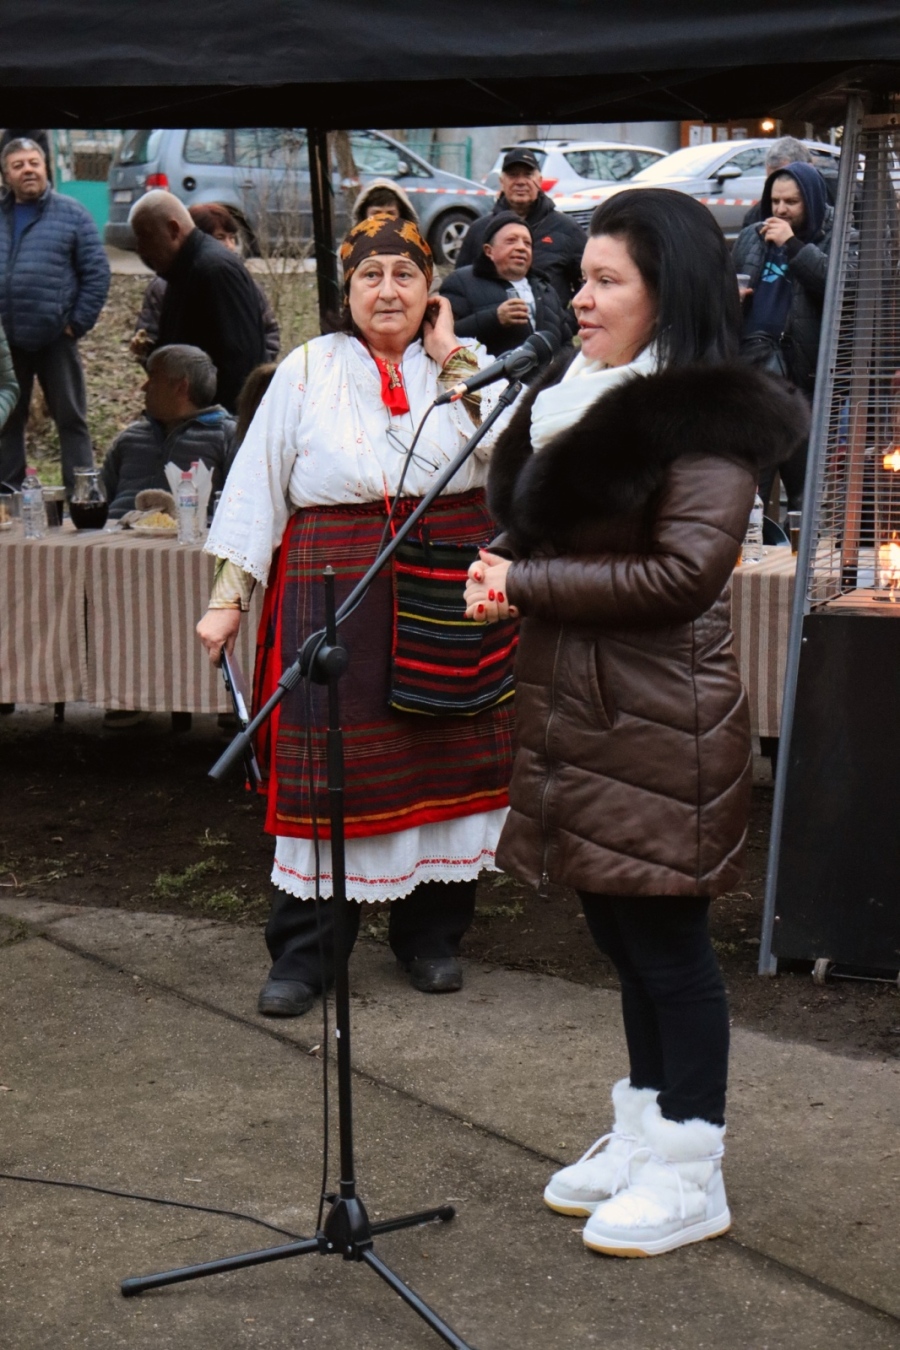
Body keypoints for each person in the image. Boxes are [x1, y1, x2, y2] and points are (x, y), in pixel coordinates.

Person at [464, 188, 808, 1258]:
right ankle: (645, 1124)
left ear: (673, 295)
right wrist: (522, 567)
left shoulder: (702, 422)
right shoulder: (580, 394)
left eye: (609, 282)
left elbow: (681, 572)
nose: (582, 300)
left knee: (666, 941)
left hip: (662, 719)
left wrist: (526, 580)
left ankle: (692, 1163)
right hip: (590, 710)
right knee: (619, 928)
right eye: (581, 279)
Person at [196, 214, 515, 1018]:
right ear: (346, 293)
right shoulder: (305, 369)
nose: (388, 290)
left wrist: (456, 359)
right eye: (370, 277)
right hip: (335, 581)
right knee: (327, 767)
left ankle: (432, 938)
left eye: (405, 276)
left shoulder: (466, 370)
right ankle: (308, 953)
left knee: (446, 757)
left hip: (450, 579)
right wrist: (227, 600)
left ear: (430, 293)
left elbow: (513, 454)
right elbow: (258, 486)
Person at [0, 137, 110, 492]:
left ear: (45, 166)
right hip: (6, 341)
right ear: (5, 174)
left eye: (34, 162)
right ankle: (6, 497)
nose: (27, 169)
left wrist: (75, 324)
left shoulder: (72, 213)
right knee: (6, 420)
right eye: (18, 165)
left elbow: (97, 273)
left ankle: (82, 499)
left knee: (72, 419)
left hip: (55, 339)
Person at [732, 161, 841, 513]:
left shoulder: (837, 236)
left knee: (803, 494)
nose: (780, 209)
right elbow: (732, 282)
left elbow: (839, 287)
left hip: (804, 377)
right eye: (775, 200)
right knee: (750, 487)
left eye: (791, 202)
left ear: (810, 201)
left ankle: (798, 562)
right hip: (755, 372)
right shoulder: (752, 236)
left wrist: (793, 245)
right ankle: (752, 559)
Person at [129, 191, 267, 413]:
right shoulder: (181, 270)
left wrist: (207, 427)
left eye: (145, 237)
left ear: (174, 230)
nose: (141, 249)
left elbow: (239, 365)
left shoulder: (214, 272)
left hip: (216, 428)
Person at [133, 203, 280, 364]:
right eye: (219, 237)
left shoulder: (233, 278)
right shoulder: (165, 286)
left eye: (232, 238)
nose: (229, 246)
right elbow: (152, 335)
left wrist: (254, 378)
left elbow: (266, 335)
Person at [100, 344, 235, 517]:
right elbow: (97, 498)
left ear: (181, 387)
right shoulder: (131, 437)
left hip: (186, 539)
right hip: (112, 536)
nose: (144, 387)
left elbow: (238, 512)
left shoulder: (227, 436)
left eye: (153, 378)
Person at [454, 148, 585, 319]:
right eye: (513, 175)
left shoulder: (568, 229)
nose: (521, 182)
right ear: (502, 181)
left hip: (551, 340)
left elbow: (588, 283)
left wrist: (566, 325)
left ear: (540, 180)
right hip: (491, 337)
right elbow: (459, 288)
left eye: (528, 175)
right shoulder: (479, 230)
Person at [439, 212, 570, 359]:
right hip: (491, 379)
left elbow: (566, 343)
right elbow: (442, 336)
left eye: (527, 243)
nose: (521, 247)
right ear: (489, 251)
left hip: (546, 380)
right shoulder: (461, 282)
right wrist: (494, 319)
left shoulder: (546, 290)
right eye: (511, 241)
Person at [352, 177, 419, 226]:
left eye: (390, 213)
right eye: (376, 213)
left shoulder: (411, 244)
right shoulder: (351, 244)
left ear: (401, 215)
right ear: (364, 215)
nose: (384, 219)